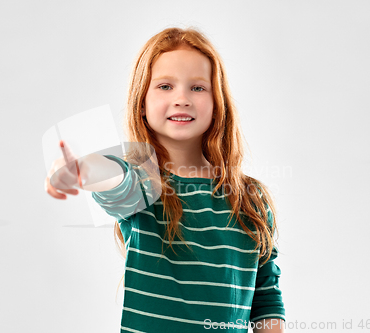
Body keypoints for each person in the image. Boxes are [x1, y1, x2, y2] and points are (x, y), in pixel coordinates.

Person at [45, 27, 285, 333]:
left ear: (217, 103)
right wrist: (79, 170)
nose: (182, 98)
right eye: (165, 86)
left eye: (198, 88)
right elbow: (113, 177)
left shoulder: (251, 198)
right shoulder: (144, 184)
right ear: (142, 103)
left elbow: (266, 299)